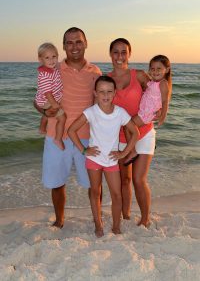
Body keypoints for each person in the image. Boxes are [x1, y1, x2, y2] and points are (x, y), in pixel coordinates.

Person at [34, 27, 101, 228]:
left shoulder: (95, 72)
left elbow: (102, 103)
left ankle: (97, 219)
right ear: (63, 46)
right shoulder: (53, 69)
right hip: (57, 135)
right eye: (69, 42)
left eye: (78, 41)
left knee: (93, 183)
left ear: (86, 43)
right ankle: (60, 220)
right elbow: (37, 100)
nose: (74, 46)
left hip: (87, 137)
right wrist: (45, 113)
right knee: (56, 182)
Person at [109, 38, 172, 227]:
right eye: (116, 52)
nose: (120, 56)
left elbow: (159, 90)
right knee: (124, 179)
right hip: (119, 136)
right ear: (110, 54)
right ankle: (126, 215)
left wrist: (162, 110)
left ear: (129, 54)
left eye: (123, 52)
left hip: (143, 132)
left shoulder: (140, 75)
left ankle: (145, 219)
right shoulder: (105, 79)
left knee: (138, 179)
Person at [68, 75, 139, 237]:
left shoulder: (120, 113)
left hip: (112, 161)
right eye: (101, 92)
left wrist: (124, 153)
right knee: (95, 192)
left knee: (117, 194)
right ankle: (98, 225)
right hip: (93, 159)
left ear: (115, 93)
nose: (105, 95)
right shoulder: (90, 112)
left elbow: (135, 132)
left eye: (109, 92)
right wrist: (84, 150)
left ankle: (116, 226)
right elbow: (71, 130)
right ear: (95, 93)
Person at [124, 54, 172, 165]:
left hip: (147, 114)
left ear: (167, 70)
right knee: (129, 127)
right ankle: (138, 147)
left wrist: (163, 116)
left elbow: (165, 101)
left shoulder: (163, 83)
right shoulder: (152, 82)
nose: (155, 71)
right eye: (152, 69)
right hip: (144, 112)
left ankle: (132, 151)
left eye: (159, 69)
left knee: (128, 127)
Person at [35, 42, 66, 150]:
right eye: (47, 58)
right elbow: (47, 92)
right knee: (62, 118)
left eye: (54, 57)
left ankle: (42, 128)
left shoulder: (52, 69)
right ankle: (57, 138)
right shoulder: (45, 74)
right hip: (46, 100)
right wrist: (54, 104)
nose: (51, 60)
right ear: (41, 59)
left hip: (48, 100)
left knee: (47, 115)